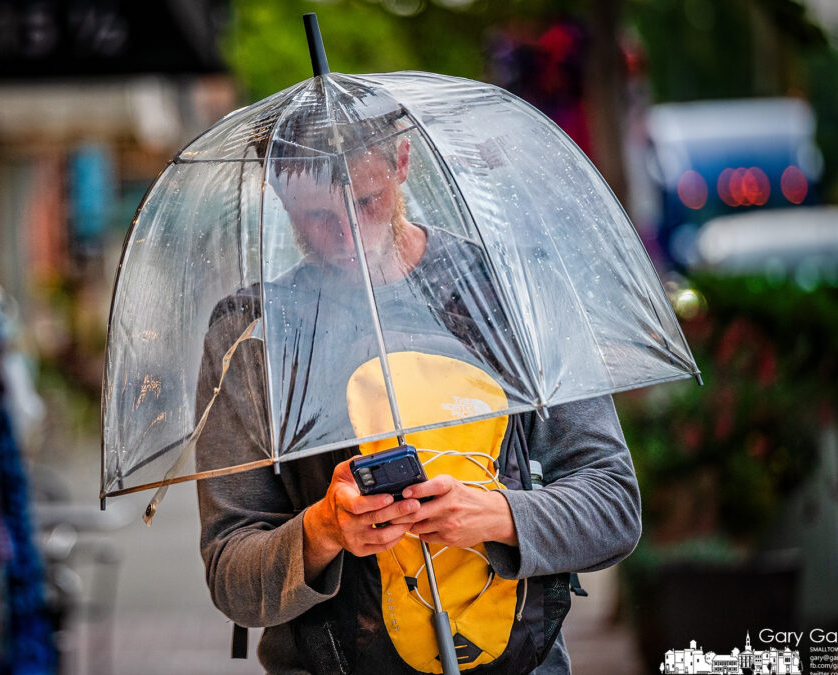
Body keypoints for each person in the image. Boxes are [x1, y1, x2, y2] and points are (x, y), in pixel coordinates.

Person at [195, 104, 641, 674]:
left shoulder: (515, 296)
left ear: (401, 161)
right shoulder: (253, 335)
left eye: (365, 202)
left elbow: (613, 506)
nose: (347, 236)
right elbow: (232, 575)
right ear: (279, 195)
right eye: (315, 216)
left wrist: (497, 515)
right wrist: (323, 529)